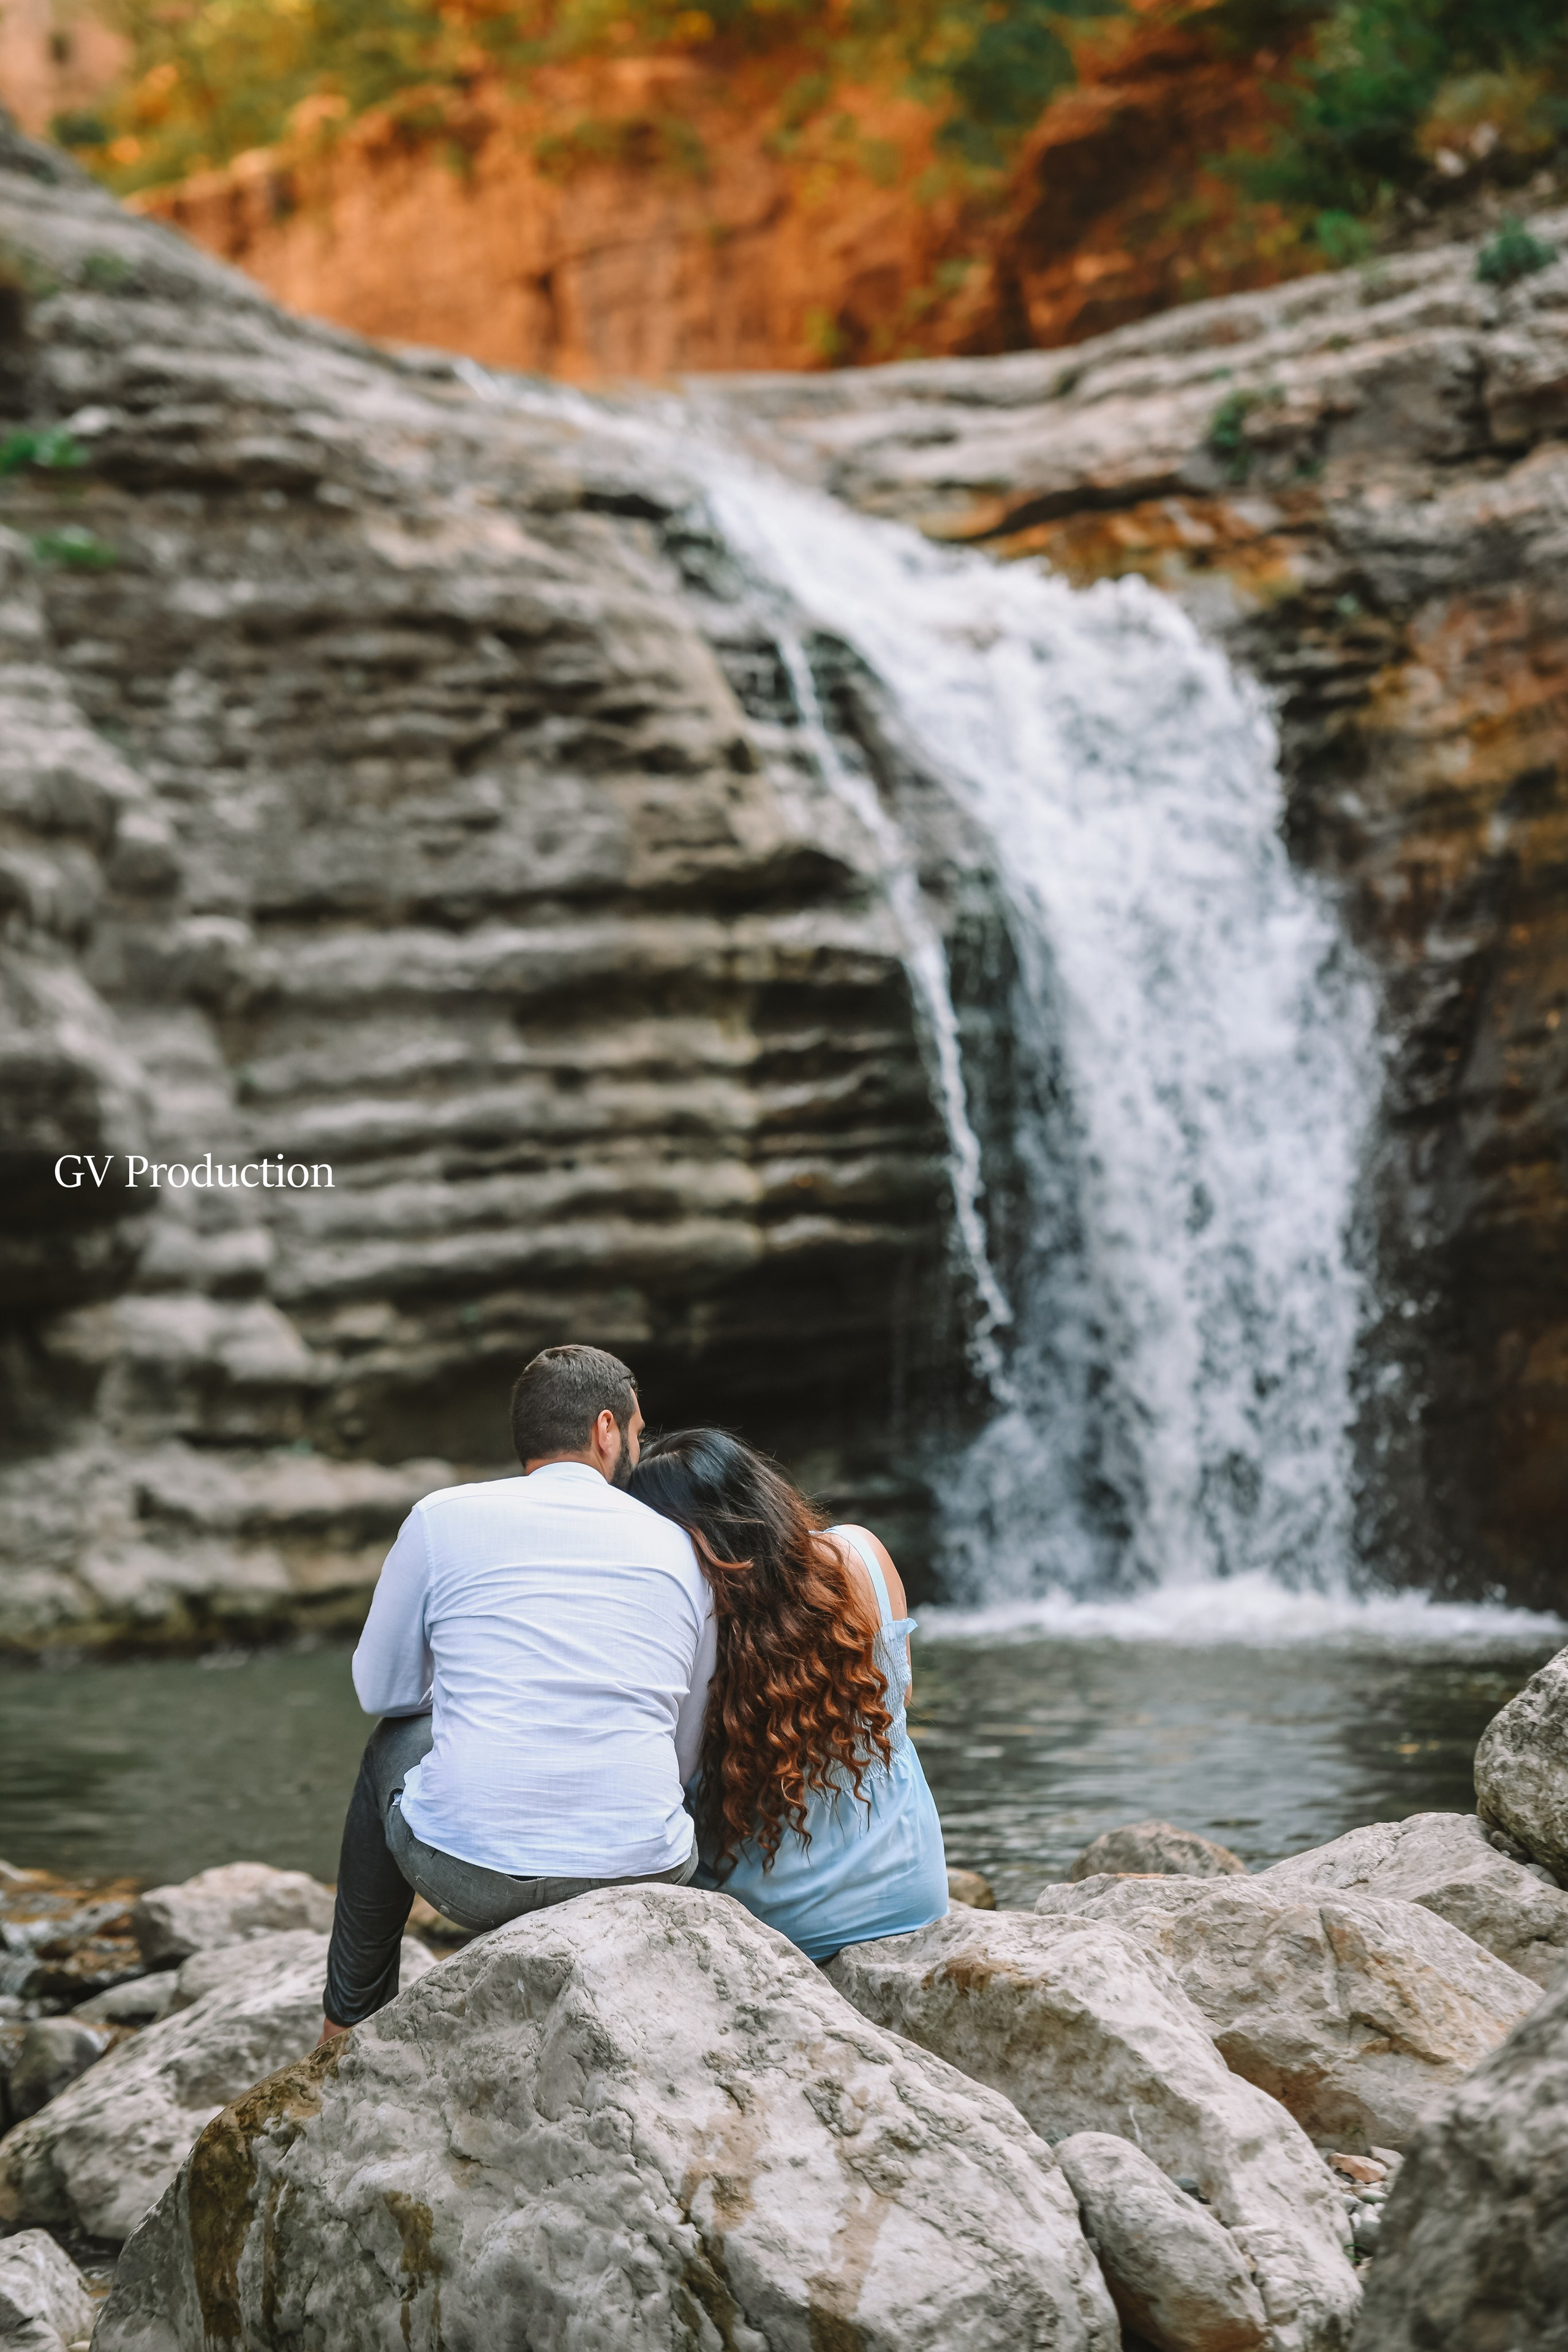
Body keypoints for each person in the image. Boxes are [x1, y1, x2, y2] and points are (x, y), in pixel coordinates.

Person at [320, 1344, 715, 2035]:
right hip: (646, 1871)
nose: (639, 1446)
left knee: (394, 1742)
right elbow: (686, 1747)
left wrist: (474, 1694)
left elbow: (381, 1692)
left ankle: (346, 2026)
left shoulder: (439, 1519)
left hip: (470, 1876)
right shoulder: (681, 1547)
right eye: (638, 1431)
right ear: (604, 1429)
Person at [626, 1428, 948, 1963]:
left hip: (773, 1934)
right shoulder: (861, 1555)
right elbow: (901, 1693)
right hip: (909, 1900)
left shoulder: (687, 1630)